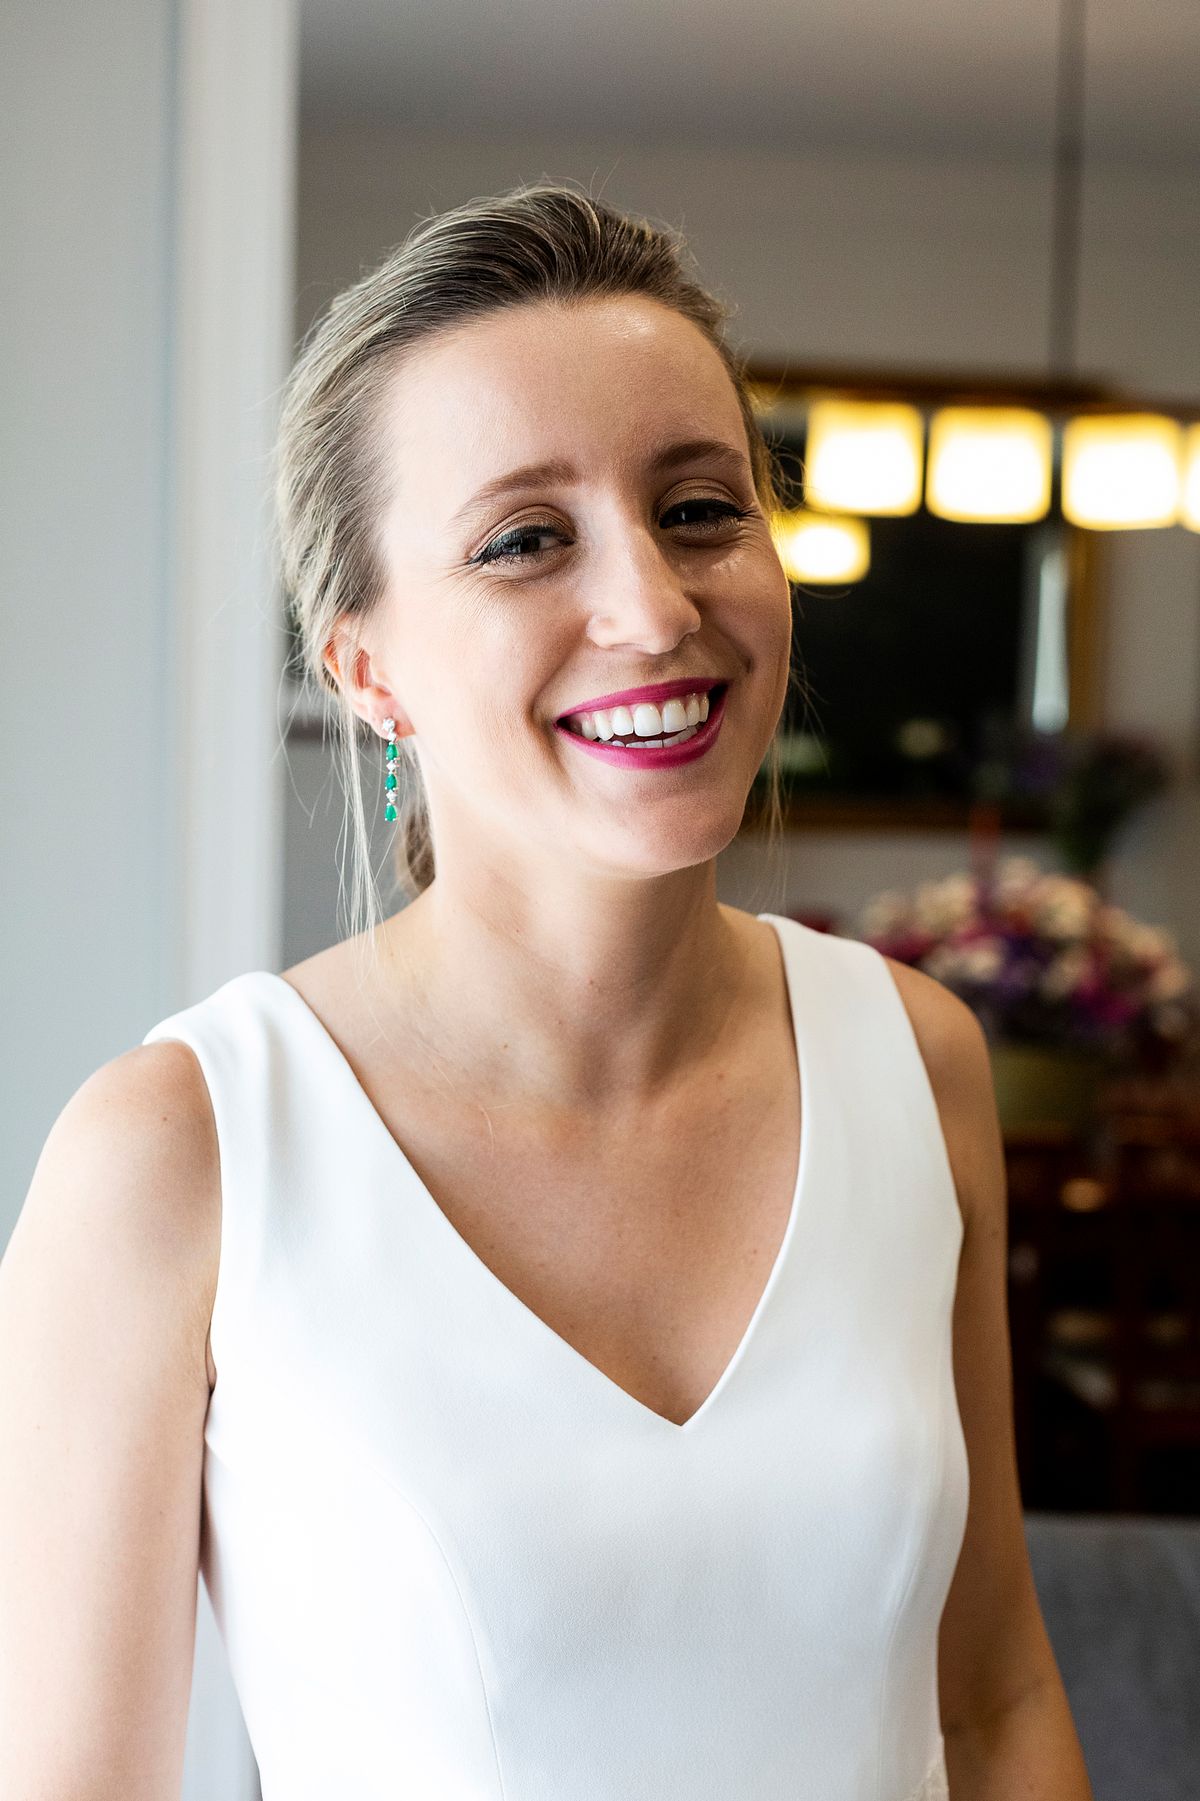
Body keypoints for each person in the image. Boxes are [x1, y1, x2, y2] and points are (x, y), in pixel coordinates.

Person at [0, 181, 1093, 1799]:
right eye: (525, 539)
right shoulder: (180, 1152)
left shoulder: (916, 1061)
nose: (655, 607)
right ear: (364, 666)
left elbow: (993, 1698)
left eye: (700, 508)